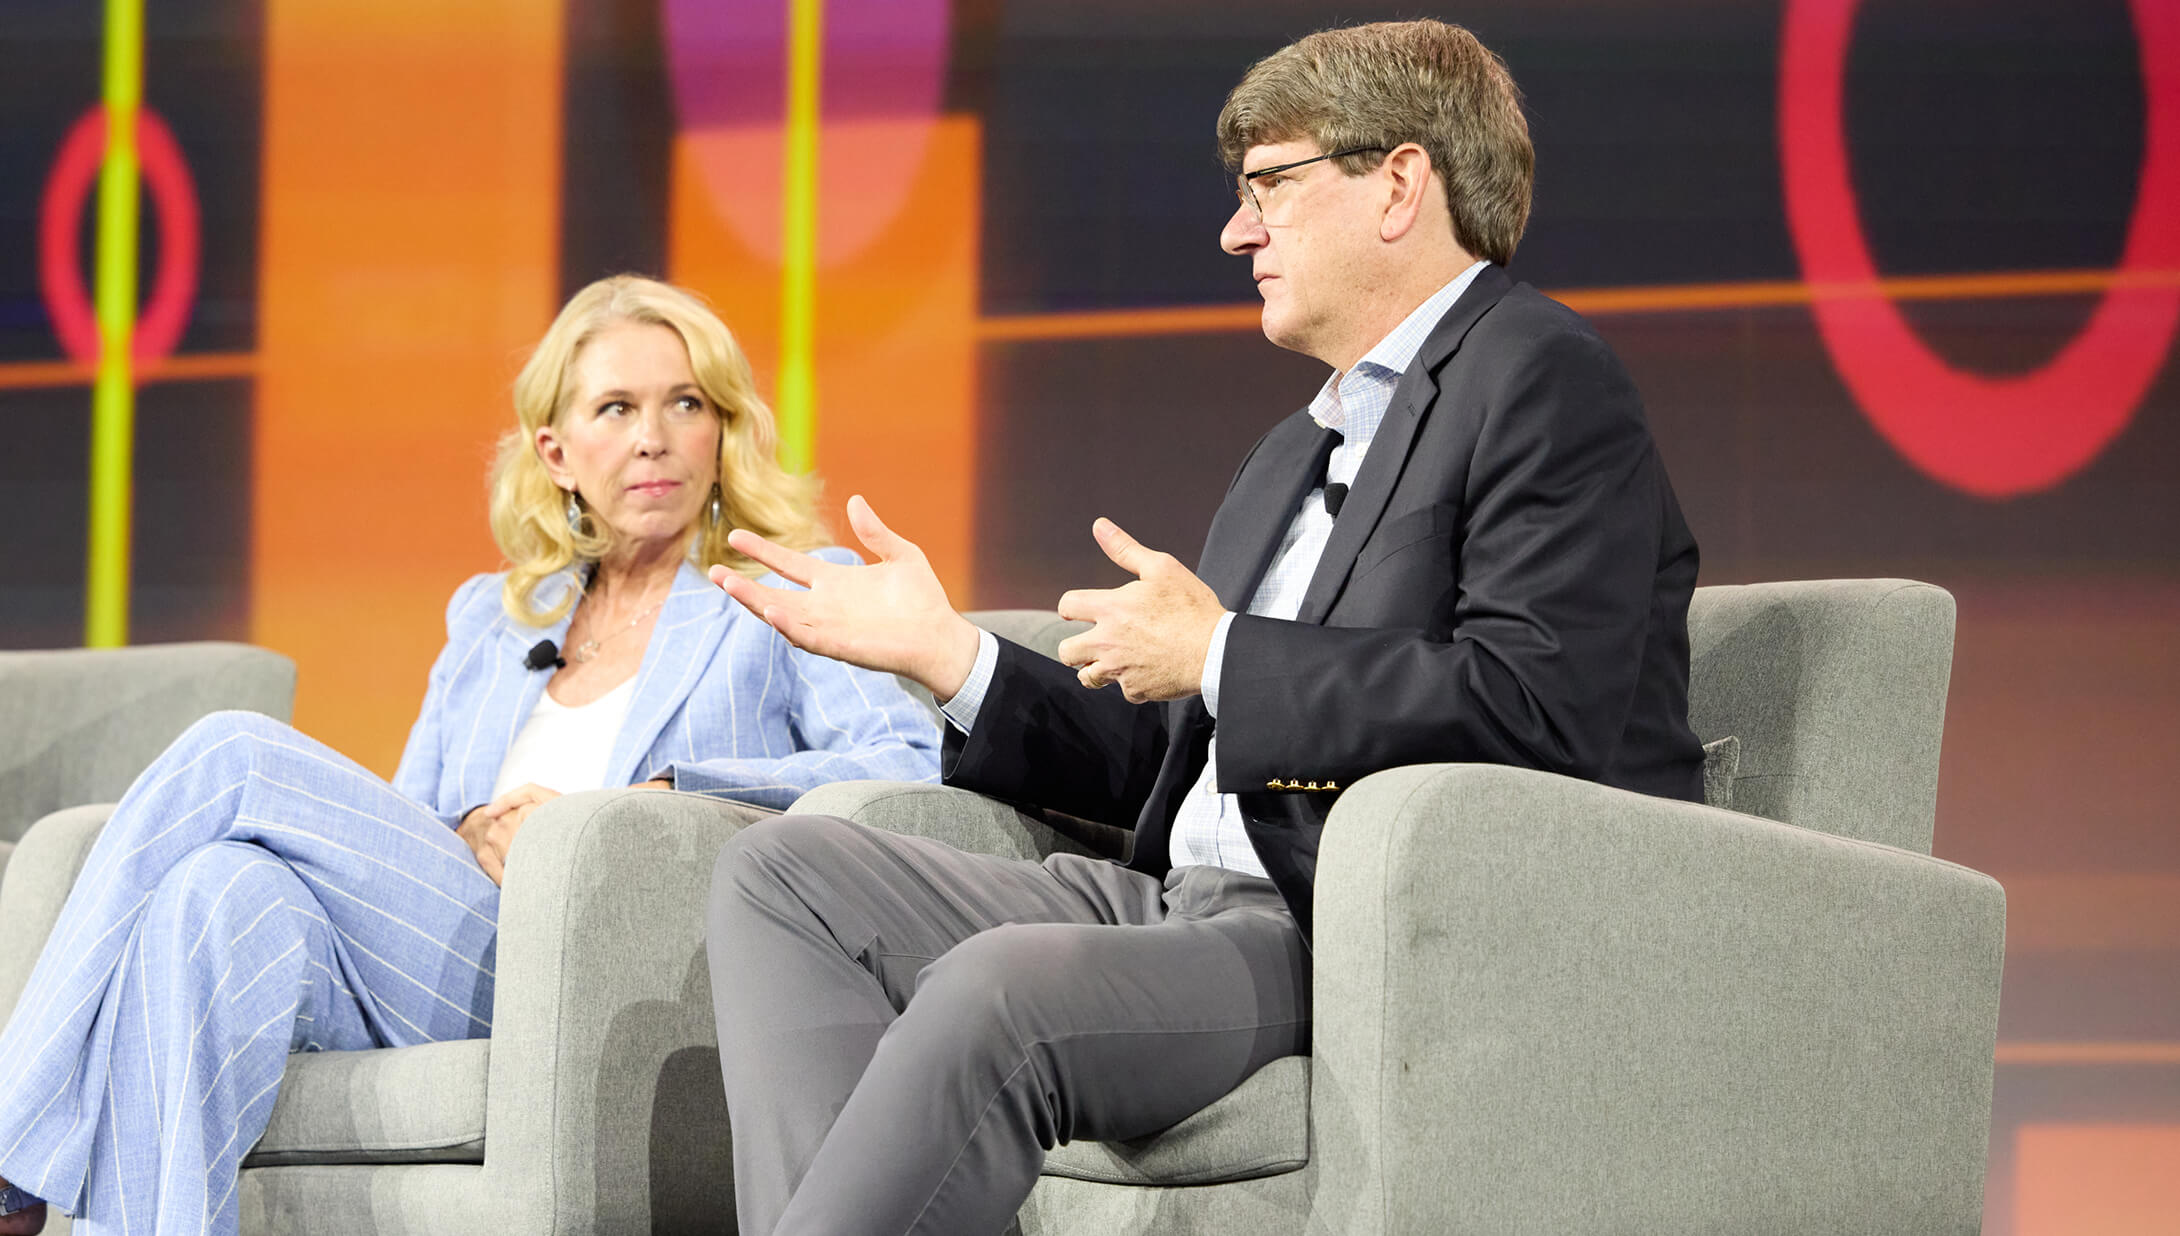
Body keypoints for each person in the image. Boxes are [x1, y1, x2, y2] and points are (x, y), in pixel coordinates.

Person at [702, 18, 1704, 1235]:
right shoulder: (1293, 449)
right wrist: (947, 656)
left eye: (1267, 186)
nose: (1237, 231)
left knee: (995, 990)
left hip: (1348, 927)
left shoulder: (1541, 378)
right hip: (1174, 902)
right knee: (784, 876)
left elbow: (1539, 707)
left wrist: (1224, 650)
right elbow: (1173, 753)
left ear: (1396, 182)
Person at [0, 275, 939, 1236]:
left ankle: (10, 1152)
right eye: (616, 407)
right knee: (216, 895)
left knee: (231, 754)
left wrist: (655, 800)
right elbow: (402, 820)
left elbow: (904, 768)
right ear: (557, 452)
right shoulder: (492, 620)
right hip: (453, 947)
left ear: (722, 430)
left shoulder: (792, 592)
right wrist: (469, 826)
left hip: (614, 965)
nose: (654, 435)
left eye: (685, 404)